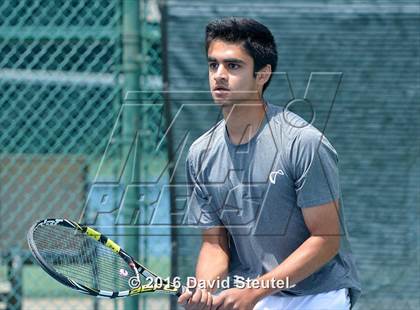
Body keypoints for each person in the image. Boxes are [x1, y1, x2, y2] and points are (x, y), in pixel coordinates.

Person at [178, 17, 361, 310]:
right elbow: (214, 245)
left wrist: (254, 292)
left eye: (233, 65)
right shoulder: (200, 154)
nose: (219, 75)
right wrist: (204, 289)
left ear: (263, 74)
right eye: (213, 65)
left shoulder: (303, 143)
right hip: (256, 294)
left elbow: (326, 238)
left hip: (319, 296)